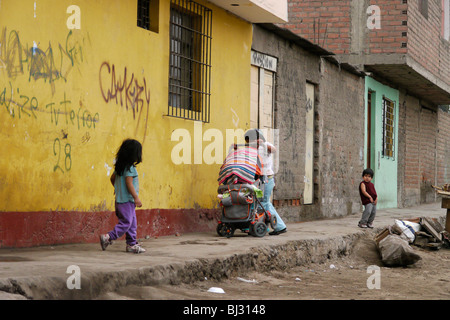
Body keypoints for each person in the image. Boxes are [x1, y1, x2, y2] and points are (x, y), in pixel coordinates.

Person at [100, 139, 146, 253]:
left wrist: (117, 189)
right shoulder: (131, 169)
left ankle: (131, 244)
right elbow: (129, 183)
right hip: (127, 201)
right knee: (126, 223)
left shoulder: (120, 167)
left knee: (132, 224)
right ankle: (108, 237)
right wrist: (136, 197)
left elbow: (112, 178)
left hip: (121, 201)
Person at [245, 129, 287, 235]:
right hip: (259, 180)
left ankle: (279, 226)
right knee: (261, 204)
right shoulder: (251, 149)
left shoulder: (265, 146)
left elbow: (273, 149)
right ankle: (262, 227)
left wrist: (262, 144)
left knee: (264, 203)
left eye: (249, 140)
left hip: (267, 179)